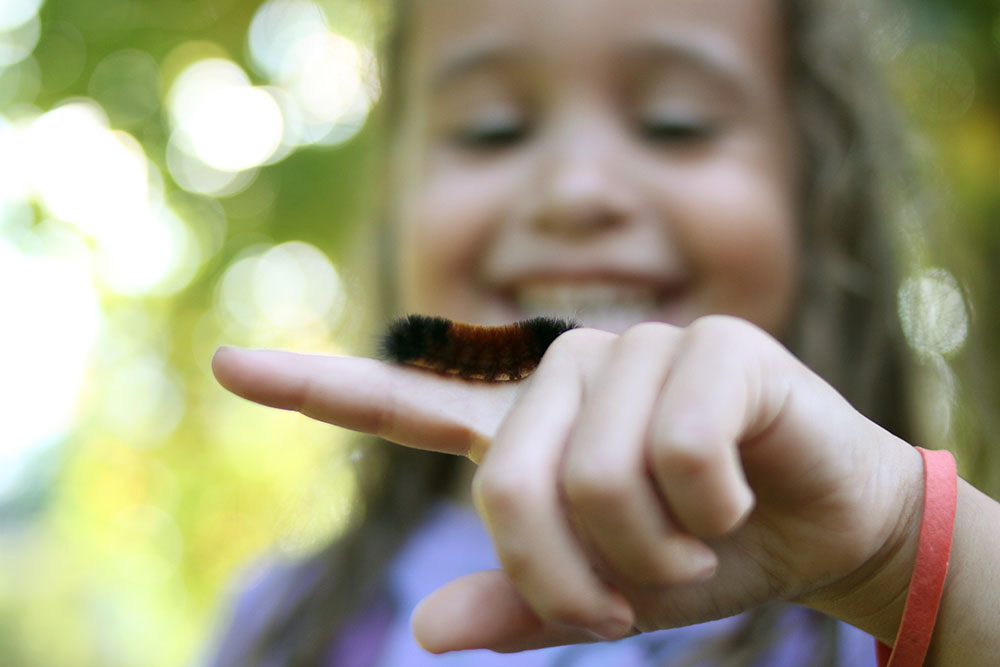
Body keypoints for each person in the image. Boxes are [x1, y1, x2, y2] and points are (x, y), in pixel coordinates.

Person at [208, 0, 1000, 664]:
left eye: (675, 123)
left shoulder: (884, 616)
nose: (577, 190)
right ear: (393, 198)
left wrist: (905, 552)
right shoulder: (284, 624)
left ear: (819, 188)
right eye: (491, 131)